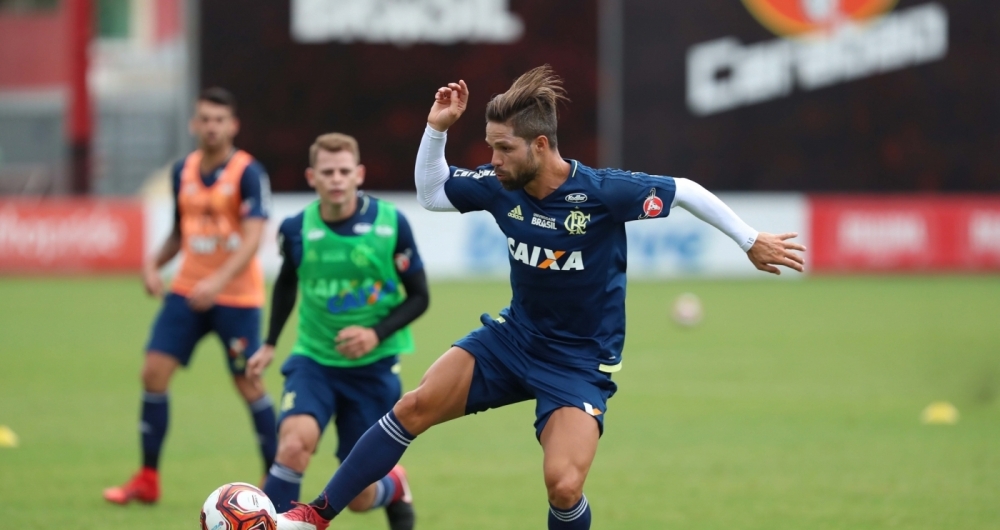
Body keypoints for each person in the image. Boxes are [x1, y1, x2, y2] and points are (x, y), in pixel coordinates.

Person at [276, 66, 805, 530]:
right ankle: (313, 516)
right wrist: (436, 130)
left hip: (578, 362)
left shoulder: (601, 193)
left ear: (541, 146)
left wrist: (749, 239)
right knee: (412, 406)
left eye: (503, 147)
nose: (493, 159)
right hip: (511, 339)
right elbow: (433, 193)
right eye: (489, 146)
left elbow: (685, 189)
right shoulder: (498, 185)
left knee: (564, 487)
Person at [104, 88, 276, 505]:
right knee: (153, 373)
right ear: (194, 124)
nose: (212, 126)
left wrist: (217, 282)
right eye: (205, 119)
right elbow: (181, 233)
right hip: (186, 292)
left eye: (220, 119)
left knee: (249, 385)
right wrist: (152, 264)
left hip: (235, 297)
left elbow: (253, 239)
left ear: (233, 125)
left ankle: (277, 484)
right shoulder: (183, 170)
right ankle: (147, 479)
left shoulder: (248, 172)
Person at [248, 133, 428, 530]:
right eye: (327, 172)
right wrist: (270, 342)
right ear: (312, 177)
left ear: (358, 174)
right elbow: (287, 283)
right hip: (314, 359)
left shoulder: (391, 224)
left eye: (344, 171)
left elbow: (420, 297)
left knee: (361, 498)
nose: (336, 179)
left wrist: (375, 333)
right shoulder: (295, 229)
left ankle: (394, 486)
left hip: (374, 369)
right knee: (294, 446)